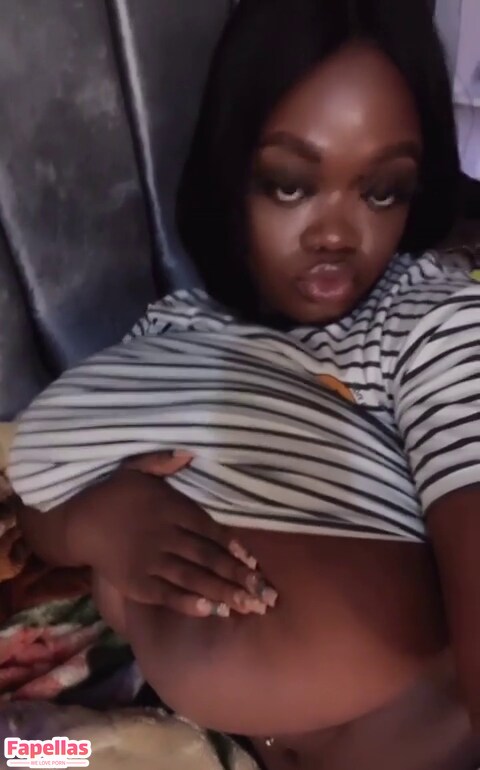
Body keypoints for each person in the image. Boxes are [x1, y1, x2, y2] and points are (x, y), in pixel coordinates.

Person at [7, 0, 480, 767]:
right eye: (290, 185)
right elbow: (42, 509)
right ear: (232, 176)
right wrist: (102, 522)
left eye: (382, 191)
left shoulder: (429, 321)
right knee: (36, 755)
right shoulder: (171, 334)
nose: (337, 233)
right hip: (201, 745)